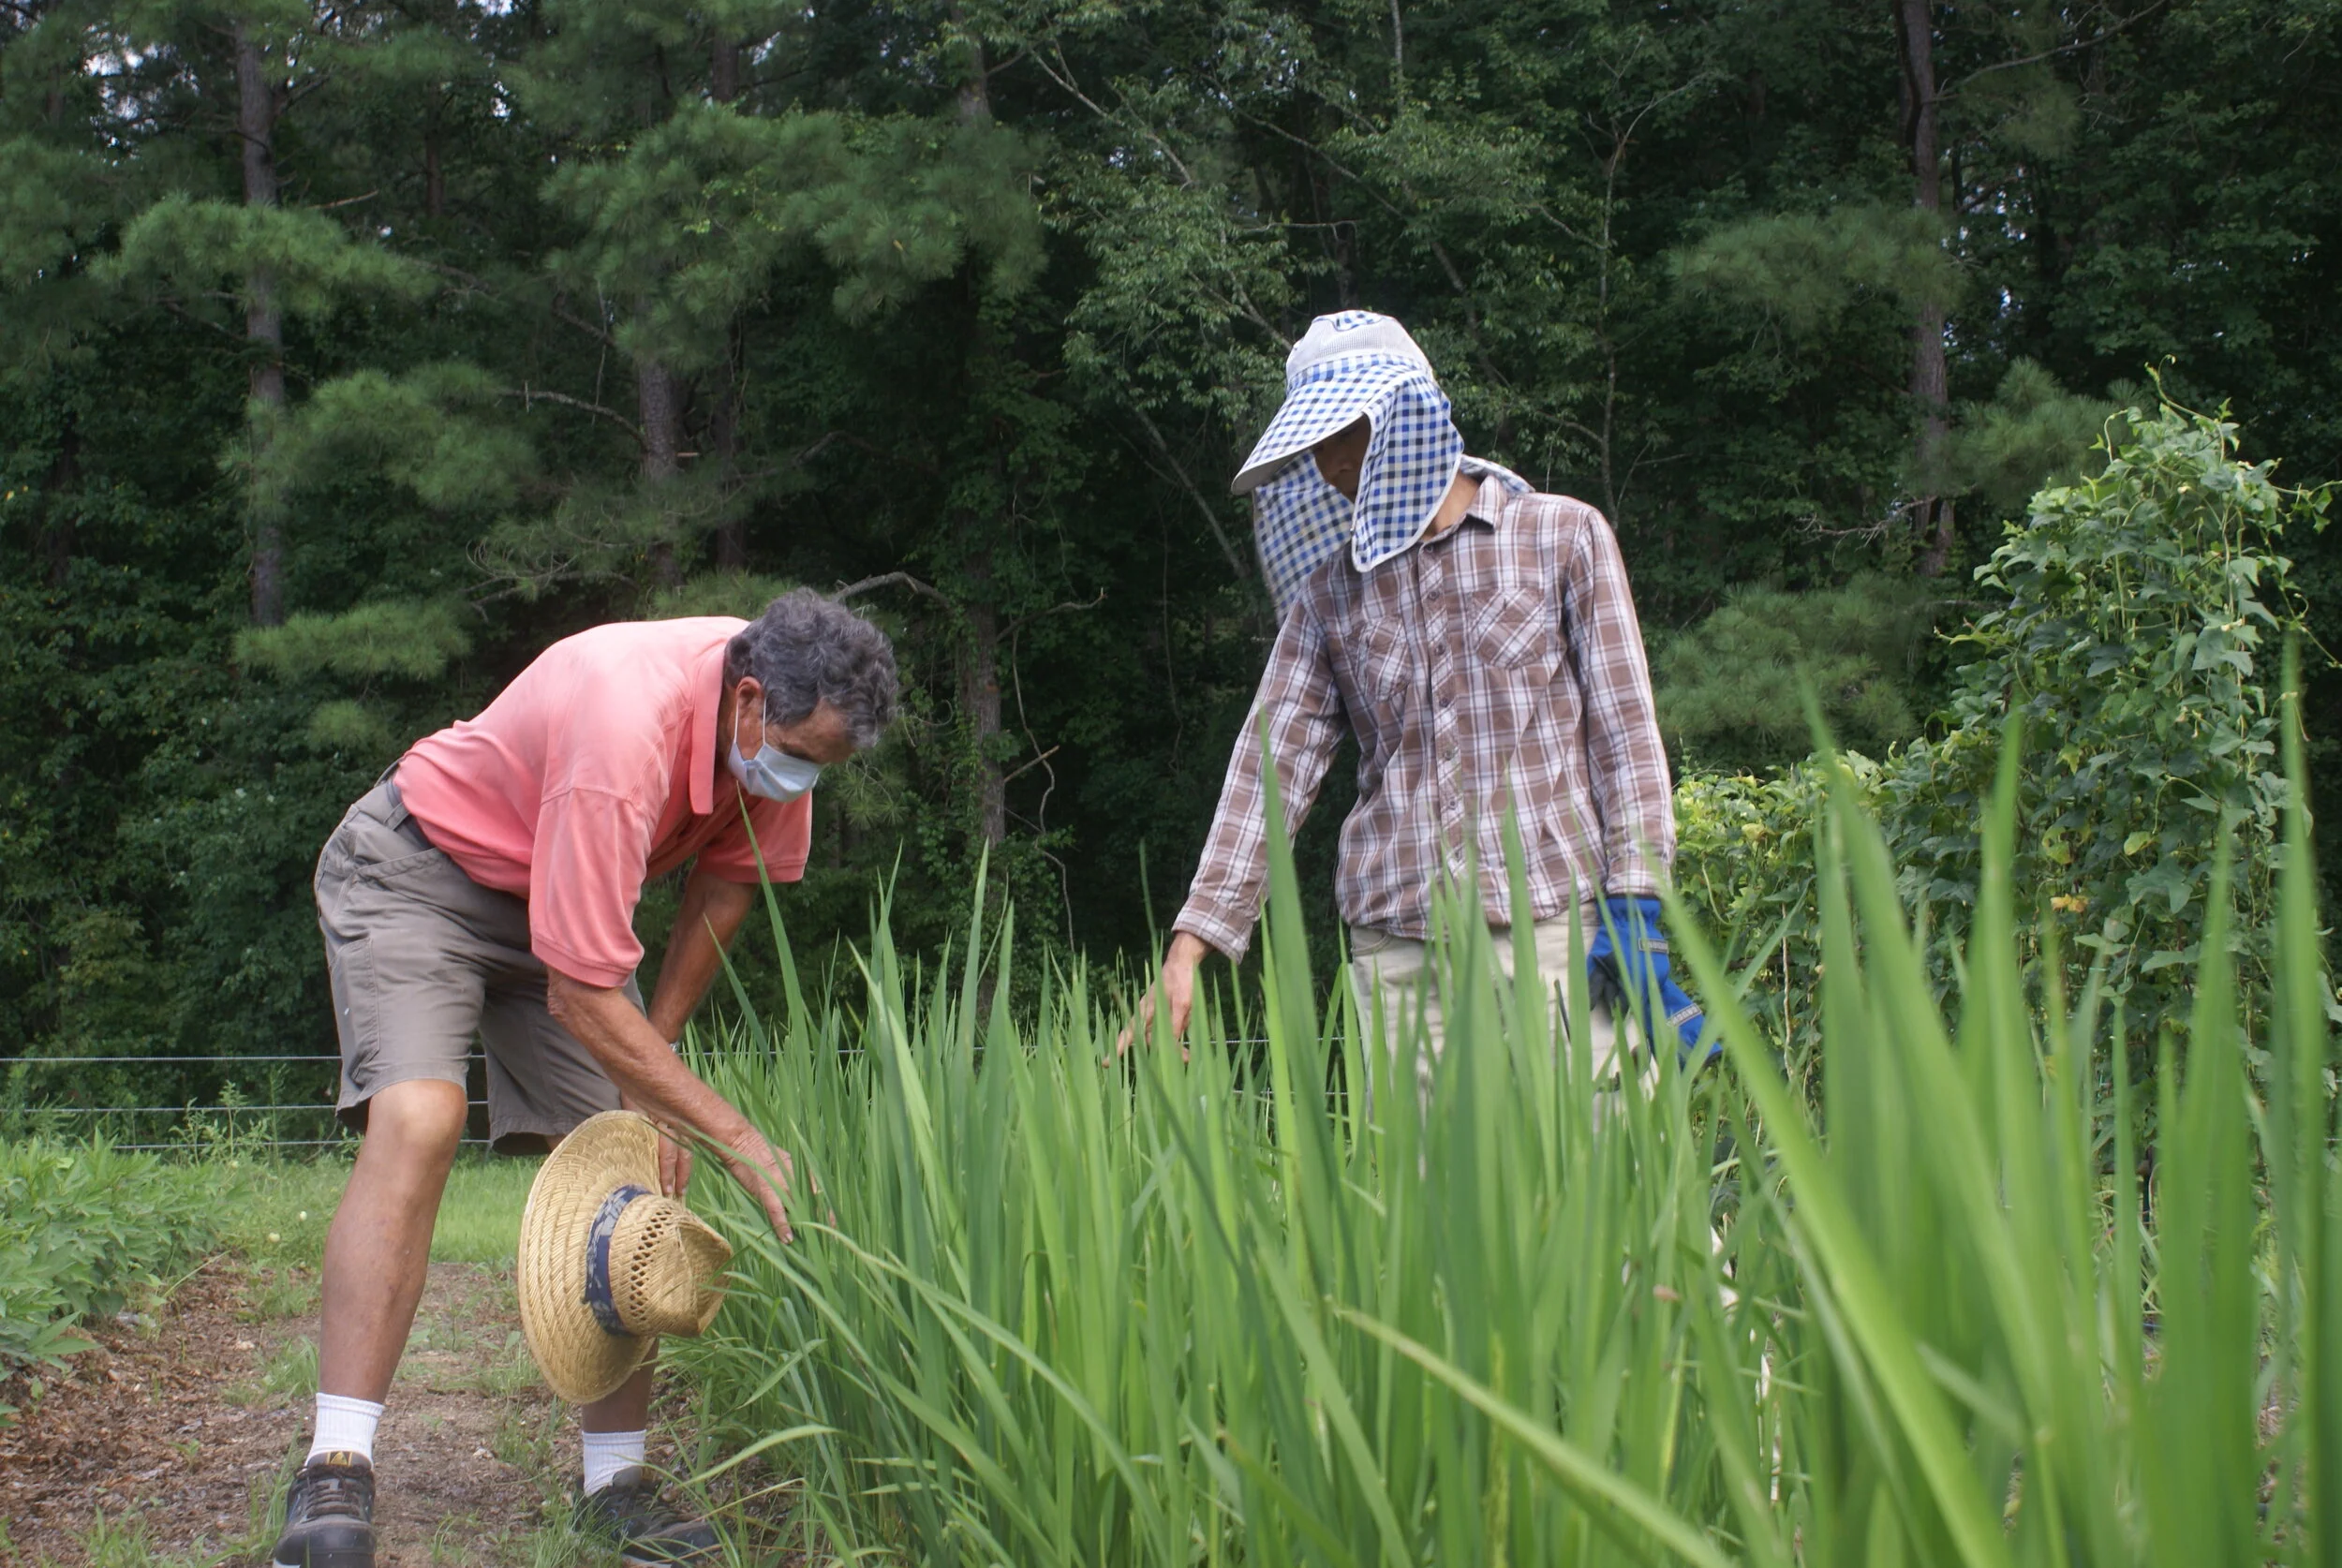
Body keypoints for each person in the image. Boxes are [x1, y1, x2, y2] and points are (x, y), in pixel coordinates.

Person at [272, 590, 897, 1568]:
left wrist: (654, 1073)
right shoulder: (625, 719)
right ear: (746, 703)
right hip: (420, 873)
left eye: (824, 767)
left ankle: (616, 1482)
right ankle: (335, 1466)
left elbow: (729, 884)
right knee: (421, 1116)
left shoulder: (781, 735)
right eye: (800, 755)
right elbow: (577, 987)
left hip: (557, 904)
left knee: (630, 1169)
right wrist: (735, 1136)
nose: (803, 779)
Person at [1134, 310, 1705, 1090]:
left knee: (1612, 1191)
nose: (1327, 463)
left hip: (1557, 939)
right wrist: (1191, 945)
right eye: (1314, 442)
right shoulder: (1329, 595)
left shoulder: (1562, 538)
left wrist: (1636, 905)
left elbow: (1627, 737)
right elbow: (1271, 768)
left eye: (1345, 434)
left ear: (1407, 415)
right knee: (1434, 1208)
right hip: (1399, 959)